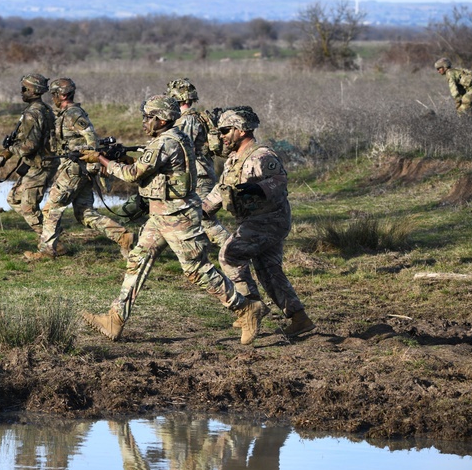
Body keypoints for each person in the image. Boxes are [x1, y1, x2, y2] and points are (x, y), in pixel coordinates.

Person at [77, 95, 266, 343]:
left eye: (148, 117)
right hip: (161, 215)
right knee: (137, 259)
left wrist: (102, 160)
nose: (144, 122)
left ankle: (246, 308)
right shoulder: (174, 138)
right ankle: (115, 319)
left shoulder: (165, 142)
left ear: (162, 119)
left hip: (177, 216)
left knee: (196, 269)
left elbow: (133, 175)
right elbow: (153, 169)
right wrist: (121, 159)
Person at [202, 106, 315, 338]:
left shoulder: (262, 156)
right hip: (256, 221)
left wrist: (259, 187)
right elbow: (220, 191)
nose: (221, 136)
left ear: (241, 130)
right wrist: (199, 211)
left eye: (225, 130)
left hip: (270, 220)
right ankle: (299, 318)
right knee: (268, 270)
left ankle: (250, 308)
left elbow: (280, 181)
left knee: (230, 255)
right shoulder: (234, 159)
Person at [24, 78, 134, 261]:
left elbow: (90, 135)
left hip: (75, 169)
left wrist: (94, 163)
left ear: (62, 94)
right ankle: (123, 236)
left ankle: (47, 250)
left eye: (54, 94)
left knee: (51, 208)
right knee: (84, 212)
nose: (52, 98)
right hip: (78, 169)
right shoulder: (66, 113)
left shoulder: (73, 114)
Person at [167, 77, 228, 246]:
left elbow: (182, 148)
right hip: (198, 174)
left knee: (205, 219)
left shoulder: (188, 120)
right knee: (187, 217)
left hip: (199, 176)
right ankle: (196, 249)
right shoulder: (195, 117)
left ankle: (235, 249)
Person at [0, 74, 56, 235]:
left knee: (28, 209)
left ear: (34, 91)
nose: (21, 92)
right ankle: (50, 234)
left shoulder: (33, 113)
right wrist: (5, 155)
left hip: (41, 165)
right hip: (38, 164)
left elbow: (29, 147)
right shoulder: (44, 109)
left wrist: (13, 148)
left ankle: (51, 242)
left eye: (24, 89)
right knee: (14, 199)